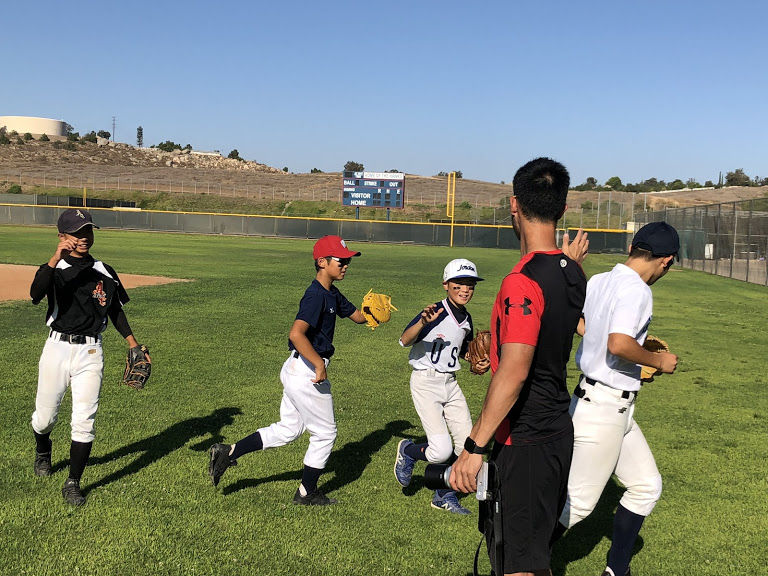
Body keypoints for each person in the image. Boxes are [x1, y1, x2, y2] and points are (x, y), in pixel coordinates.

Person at [450, 157, 588, 576]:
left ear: (514, 205)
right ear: (562, 208)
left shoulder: (521, 281)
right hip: (557, 432)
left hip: (526, 440)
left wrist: (473, 448)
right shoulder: (573, 272)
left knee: (518, 566)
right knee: (534, 555)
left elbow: (515, 371)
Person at [556, 222, 680, 576]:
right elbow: (618, 344)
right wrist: (657, 361)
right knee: (578, 504)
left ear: (632, 249)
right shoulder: (638, 290)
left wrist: (634, 360)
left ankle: (617, 571)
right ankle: (515, 562)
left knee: (645, 486)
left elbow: (582, 325)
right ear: (666, 261)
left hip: (606, 403)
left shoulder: (599, 280)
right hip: (603, 410)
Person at [208, 235, 369, 505]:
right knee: (325, 433)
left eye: (348, 261)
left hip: (298, 367)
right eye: (341, 261)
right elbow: (296, 334)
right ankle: (307, 493)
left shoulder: (331, 292)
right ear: (322, 262)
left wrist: (372, 312)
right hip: (307, 369)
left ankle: (229, 452)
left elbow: (359, 317)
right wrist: (318, 363)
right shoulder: (315, 295)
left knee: (289, 429)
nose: (346, 265)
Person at [30, 208, 150, 506]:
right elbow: (35, 293)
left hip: (91, 352)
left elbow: (115, 310)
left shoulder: (104, 270)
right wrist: (55, 257)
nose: (84, 237)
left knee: (84, 420)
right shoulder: (54, 268)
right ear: (62, 236)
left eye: (88, 231)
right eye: (77, 232)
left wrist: (133, 344)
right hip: (57, 349)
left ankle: (73, 482)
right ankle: (43, 449)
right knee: (44, 419)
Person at [393, 258, 490, 515]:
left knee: (467, 446)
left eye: (470, 284)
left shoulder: (466, 318)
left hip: (451, 384)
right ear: (446, 284)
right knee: (440, 451)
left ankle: (444, 495)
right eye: (459, 283)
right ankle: (408, 451)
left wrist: (476, 359)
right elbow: (404, 340)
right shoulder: (435, 312)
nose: (465, 289)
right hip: (426, 382)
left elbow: (464, 350)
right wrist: (422, 322)